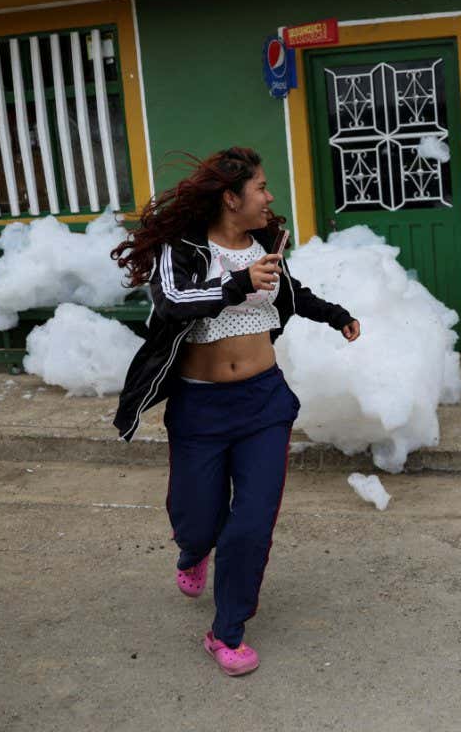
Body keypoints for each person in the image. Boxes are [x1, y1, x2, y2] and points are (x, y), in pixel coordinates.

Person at [111, 147, 359, 676]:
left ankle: (227, 631)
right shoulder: (182, 252)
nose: (270, 197)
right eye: (261, 187)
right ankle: (193, 551)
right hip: (200, 409)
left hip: (264, 403)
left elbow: (287, 293)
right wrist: (236, 284)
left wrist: (336, 315)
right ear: (231, 197)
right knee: (197, 518)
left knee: (251, 524)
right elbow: (175, 302)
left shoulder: (267, 246)